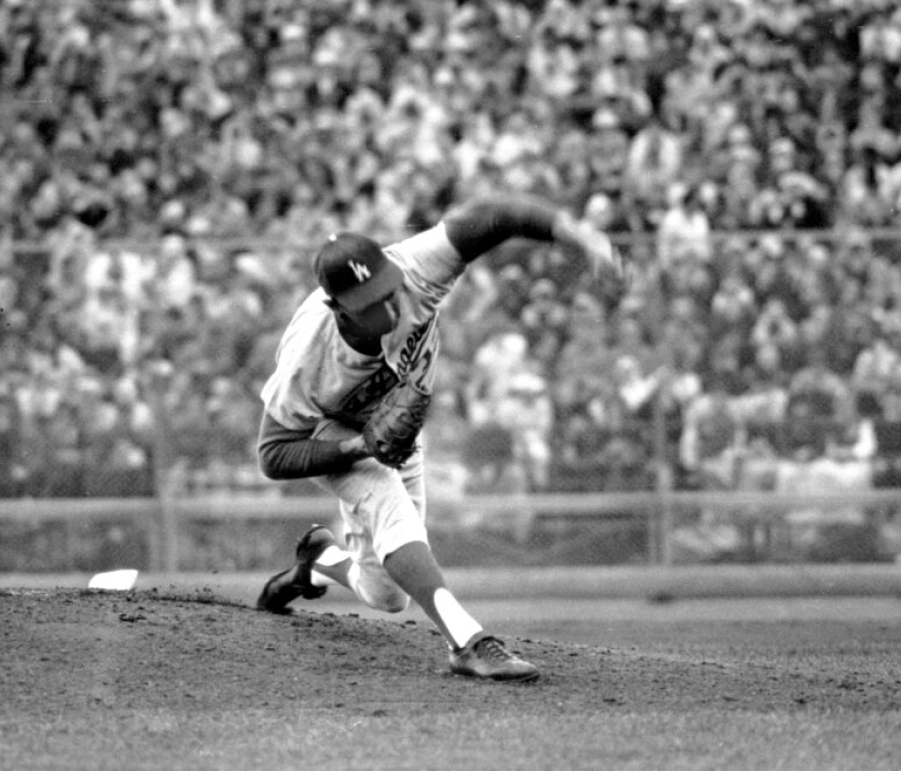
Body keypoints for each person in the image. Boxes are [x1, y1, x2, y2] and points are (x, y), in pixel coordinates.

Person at [254, 193, 624, 682]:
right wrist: (356, 449)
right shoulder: (309, 359)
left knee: (387, 594)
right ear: (339, 309)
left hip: (395, 429)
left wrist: (576, 232)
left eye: (387, 288)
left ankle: (320, 557)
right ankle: (467, 642)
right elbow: (273, 454)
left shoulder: (415, 268)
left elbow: (496, 215)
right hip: (334, 432)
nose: (389, 302)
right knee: (386, 504)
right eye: (371, 303)